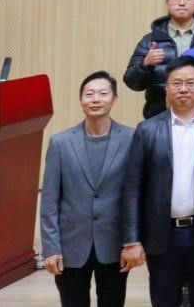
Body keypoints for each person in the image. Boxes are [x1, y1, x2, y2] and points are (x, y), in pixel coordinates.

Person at [121, 56, 194, 307]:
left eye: (191, 83)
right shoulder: (147, 130)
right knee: (164, 300)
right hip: (162, 235)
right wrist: (132, 240)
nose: (184, 89)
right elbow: (133, 190)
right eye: (177, 83)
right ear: (167, 88)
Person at [40, 71, 134, 307]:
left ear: (114, 98)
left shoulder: (132, 138)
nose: (96, 99)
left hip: (114, 244)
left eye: (103, 93)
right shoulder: (60, 143)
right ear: (81, 99)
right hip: (70, 245)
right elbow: (50, 201)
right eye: (89, 94)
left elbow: (135, 196)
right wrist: (51, 248)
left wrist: (133, 242)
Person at [124, 0, 194, 119]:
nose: (182, 3)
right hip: (159, 116)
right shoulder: (150, 40)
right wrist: (145, 64)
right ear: (167, 3)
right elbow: (132, 82)